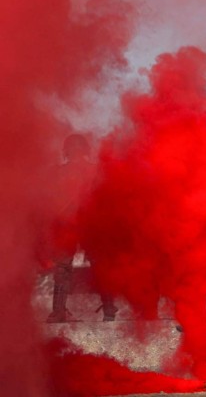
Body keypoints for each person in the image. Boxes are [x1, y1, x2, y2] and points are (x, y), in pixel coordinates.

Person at [46, 134, 118, 323]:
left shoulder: (60, 172)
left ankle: (60, 311)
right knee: (98, 266)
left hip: (77, 222)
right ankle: (109, 309)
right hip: (83, 222)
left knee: (65, 267)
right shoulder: (94, 170)